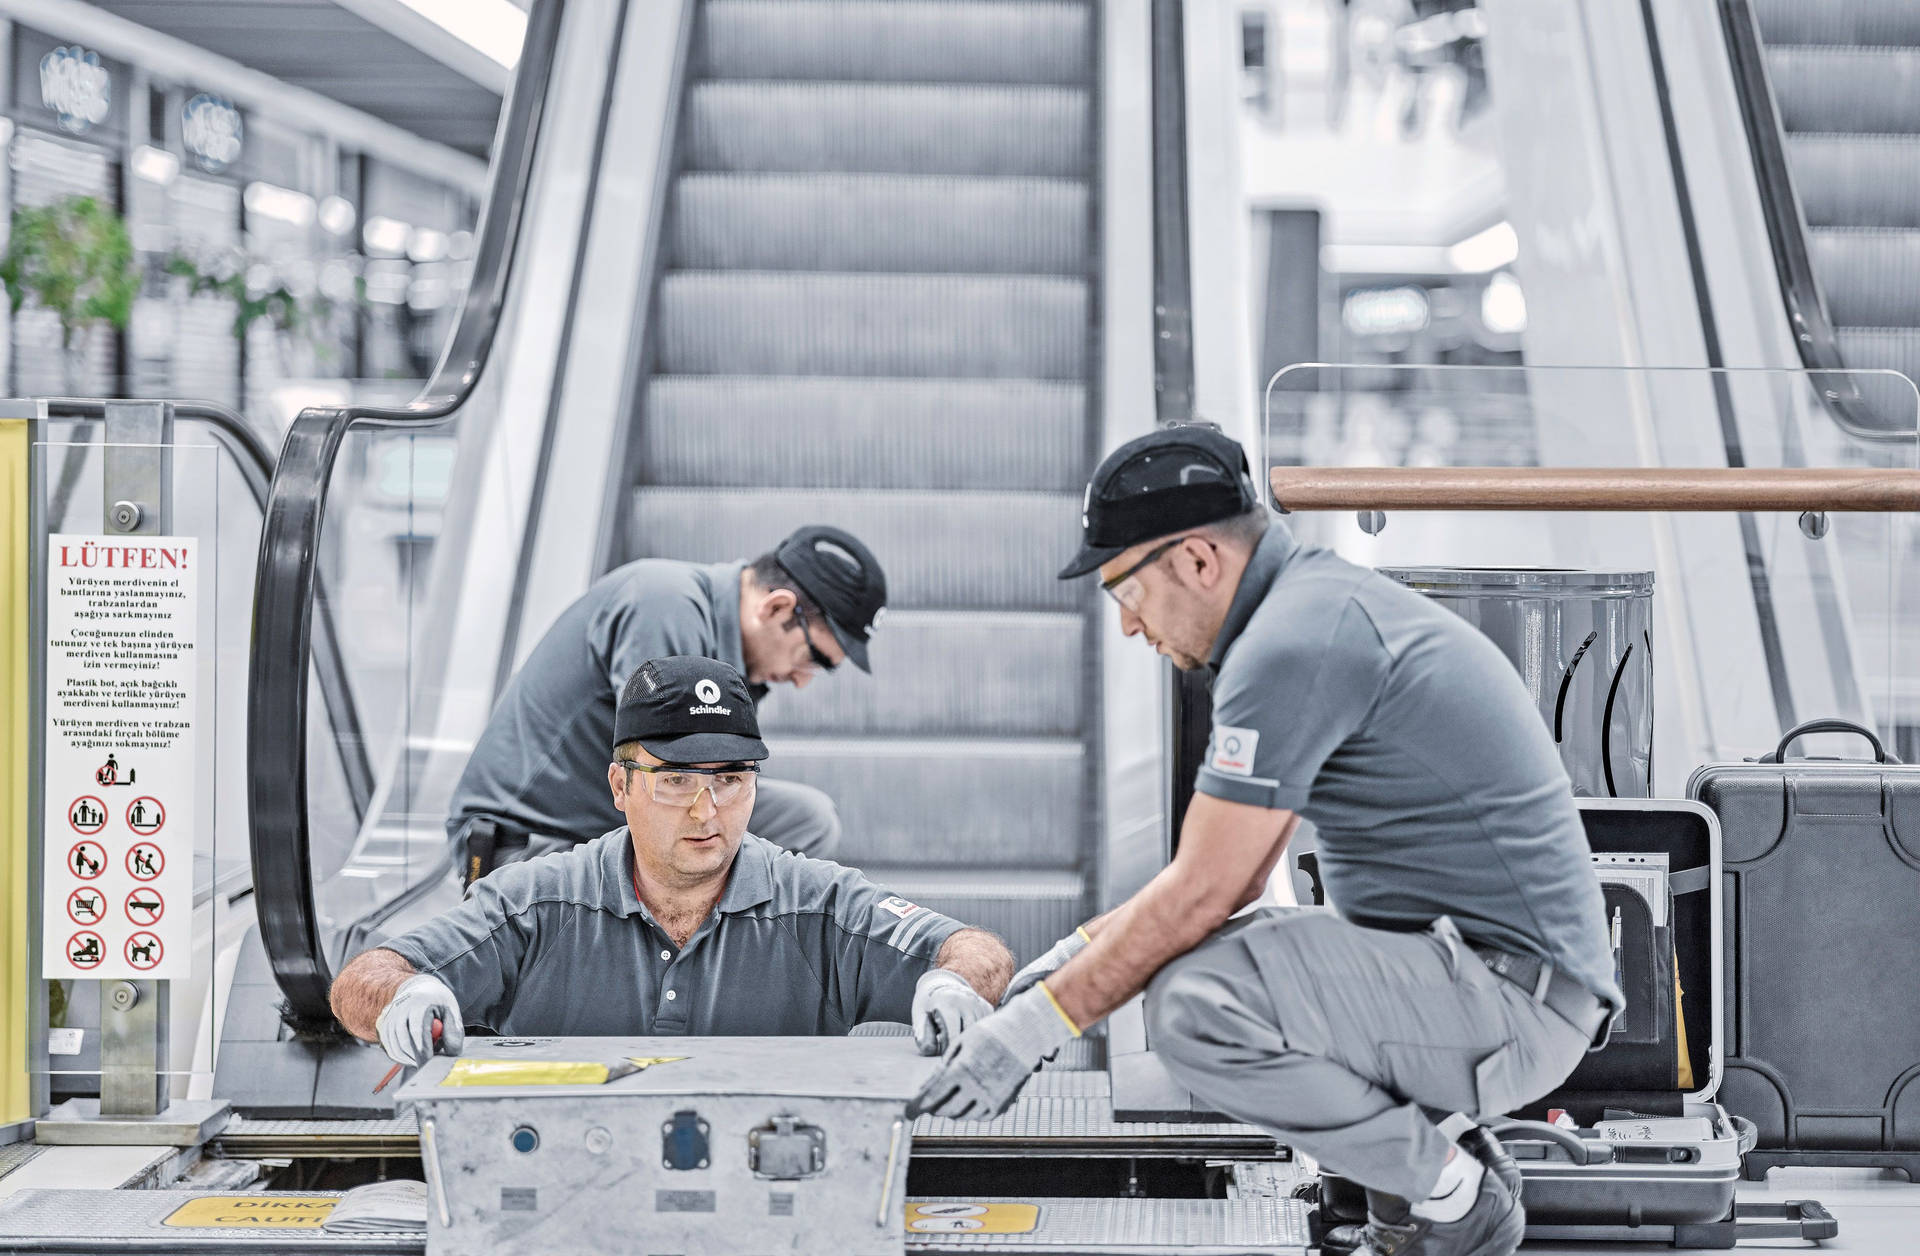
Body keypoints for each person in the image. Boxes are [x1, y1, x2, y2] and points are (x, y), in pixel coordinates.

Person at [910, 426, 1623, 1256]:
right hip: (1485, 977)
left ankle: (1454, 1198)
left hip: (1508, 1002)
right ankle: (1432, 1173)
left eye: (1126, 594)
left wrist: (1030, 1033)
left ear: (1198, 561)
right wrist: (1050, 971)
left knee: (1194, 1009)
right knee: (1202, 961)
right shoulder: (1309, 611)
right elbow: (1234, 884)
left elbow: (1205, 893)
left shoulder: (1292, 645)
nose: (1131, 630)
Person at [333, 656, 1012, 1064]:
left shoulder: (818, 905)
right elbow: (364, 977)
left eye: (730, 780)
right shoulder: (538, 903)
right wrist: (402, 995)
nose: (707, 810)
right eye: (677, 781)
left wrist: (954, 985)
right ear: (620, 786)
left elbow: (972, 949)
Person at [448, 525, 888, 879]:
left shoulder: (721, 652)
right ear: (775, 608)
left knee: (805, 821)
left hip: (606, 827)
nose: (802, 680)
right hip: (529, 847)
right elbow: (669, 784)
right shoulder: (664, 607)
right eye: (815, 660)